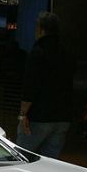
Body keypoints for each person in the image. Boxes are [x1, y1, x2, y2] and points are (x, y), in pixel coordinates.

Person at [17, 12, 75, 158]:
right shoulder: (66, 53)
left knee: (23, 157)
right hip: (62, 117)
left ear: (40, 29)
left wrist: (23, 114)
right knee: (50, 163)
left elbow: (30, 86)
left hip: (39, 116)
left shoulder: (38, 53)